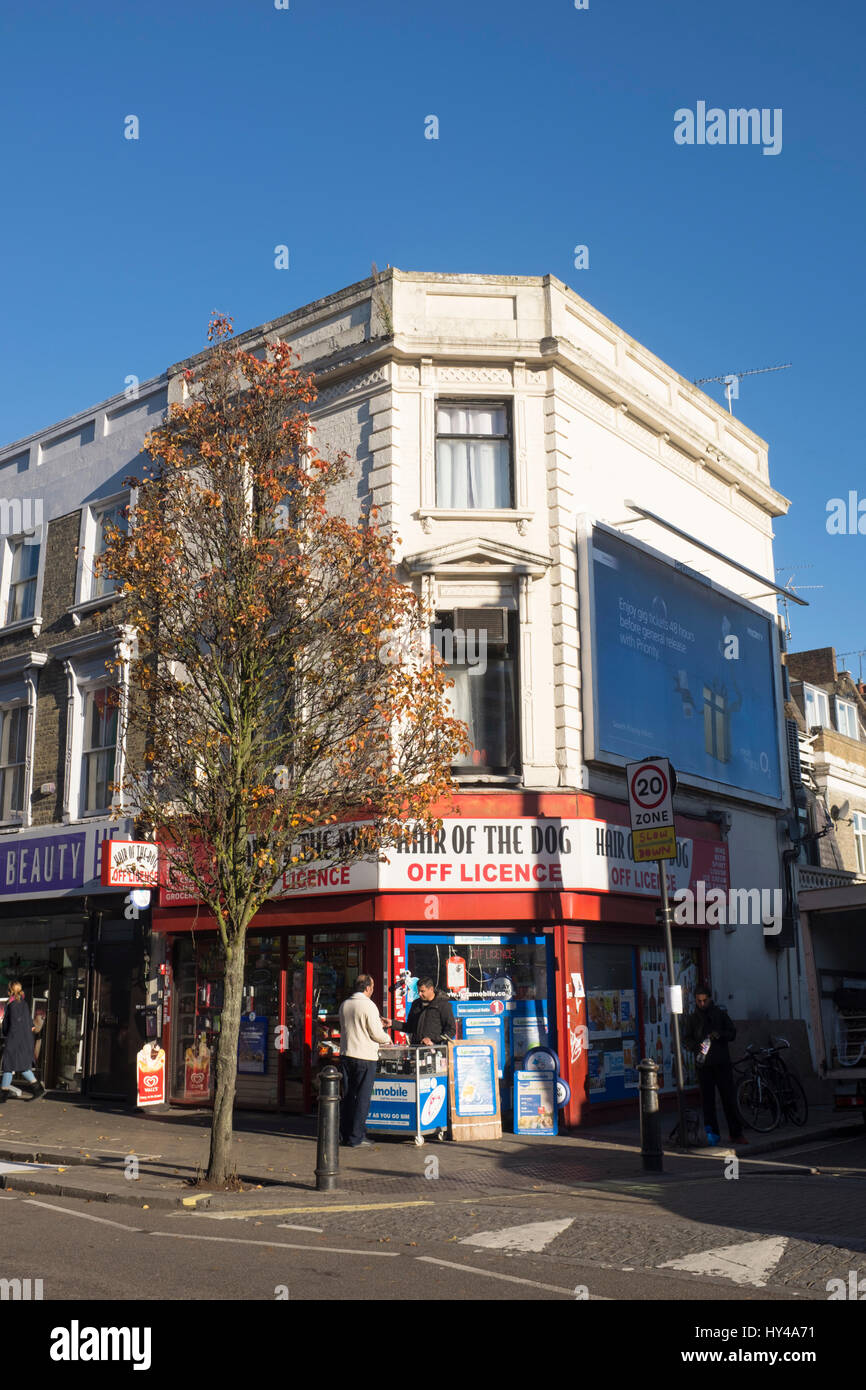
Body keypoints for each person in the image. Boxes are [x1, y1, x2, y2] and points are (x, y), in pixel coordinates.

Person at [681, 983, 745, 1146]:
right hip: (704, 1065)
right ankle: (712, 1135)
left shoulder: (719, 1014)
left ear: (710, 999)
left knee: (728, 1100)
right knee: (707, 1103)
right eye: (699, 1001)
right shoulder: (692, 1018)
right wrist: (696, 1046)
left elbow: (733, 1033)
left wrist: (720, 1034)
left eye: (704, 1000)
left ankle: (736, 1134)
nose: (702, 1004)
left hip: (721, 1062)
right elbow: (686, 1040)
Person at [338, 975, 392, 1148]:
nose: (373, 990)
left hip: (347, 1055)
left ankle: (344, 1134)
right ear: (367, 988)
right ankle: (357, 1137)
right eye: (373, 987)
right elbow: (376, 1033)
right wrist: (387, 1038)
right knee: (362, 1098)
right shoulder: (369, 1006)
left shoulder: (345, 1004)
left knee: (347, 1097)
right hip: (365, 1057)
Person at [0, 982, 45, 1102]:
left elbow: (12, 1025)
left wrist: (6, 1035)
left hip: (15, 1039)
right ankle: (38, 1089)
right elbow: (30, 1025)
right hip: (25, 1039)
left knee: (9, 1065)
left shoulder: (12, 1005)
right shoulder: (23, 1004)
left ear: (10, 991)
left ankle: (2, 1095)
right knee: (22, 1066)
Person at [403, 978, 456, 1046]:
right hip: (416, 1049)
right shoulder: (416, 1004)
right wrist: (392, 1024)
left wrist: (433, 1040)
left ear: (431, 989)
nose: (419, 994)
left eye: (422, 991)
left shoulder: (443, 1005)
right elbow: (409, 1027)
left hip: (435, 1050)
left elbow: (451, 1030)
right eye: (418, 991)